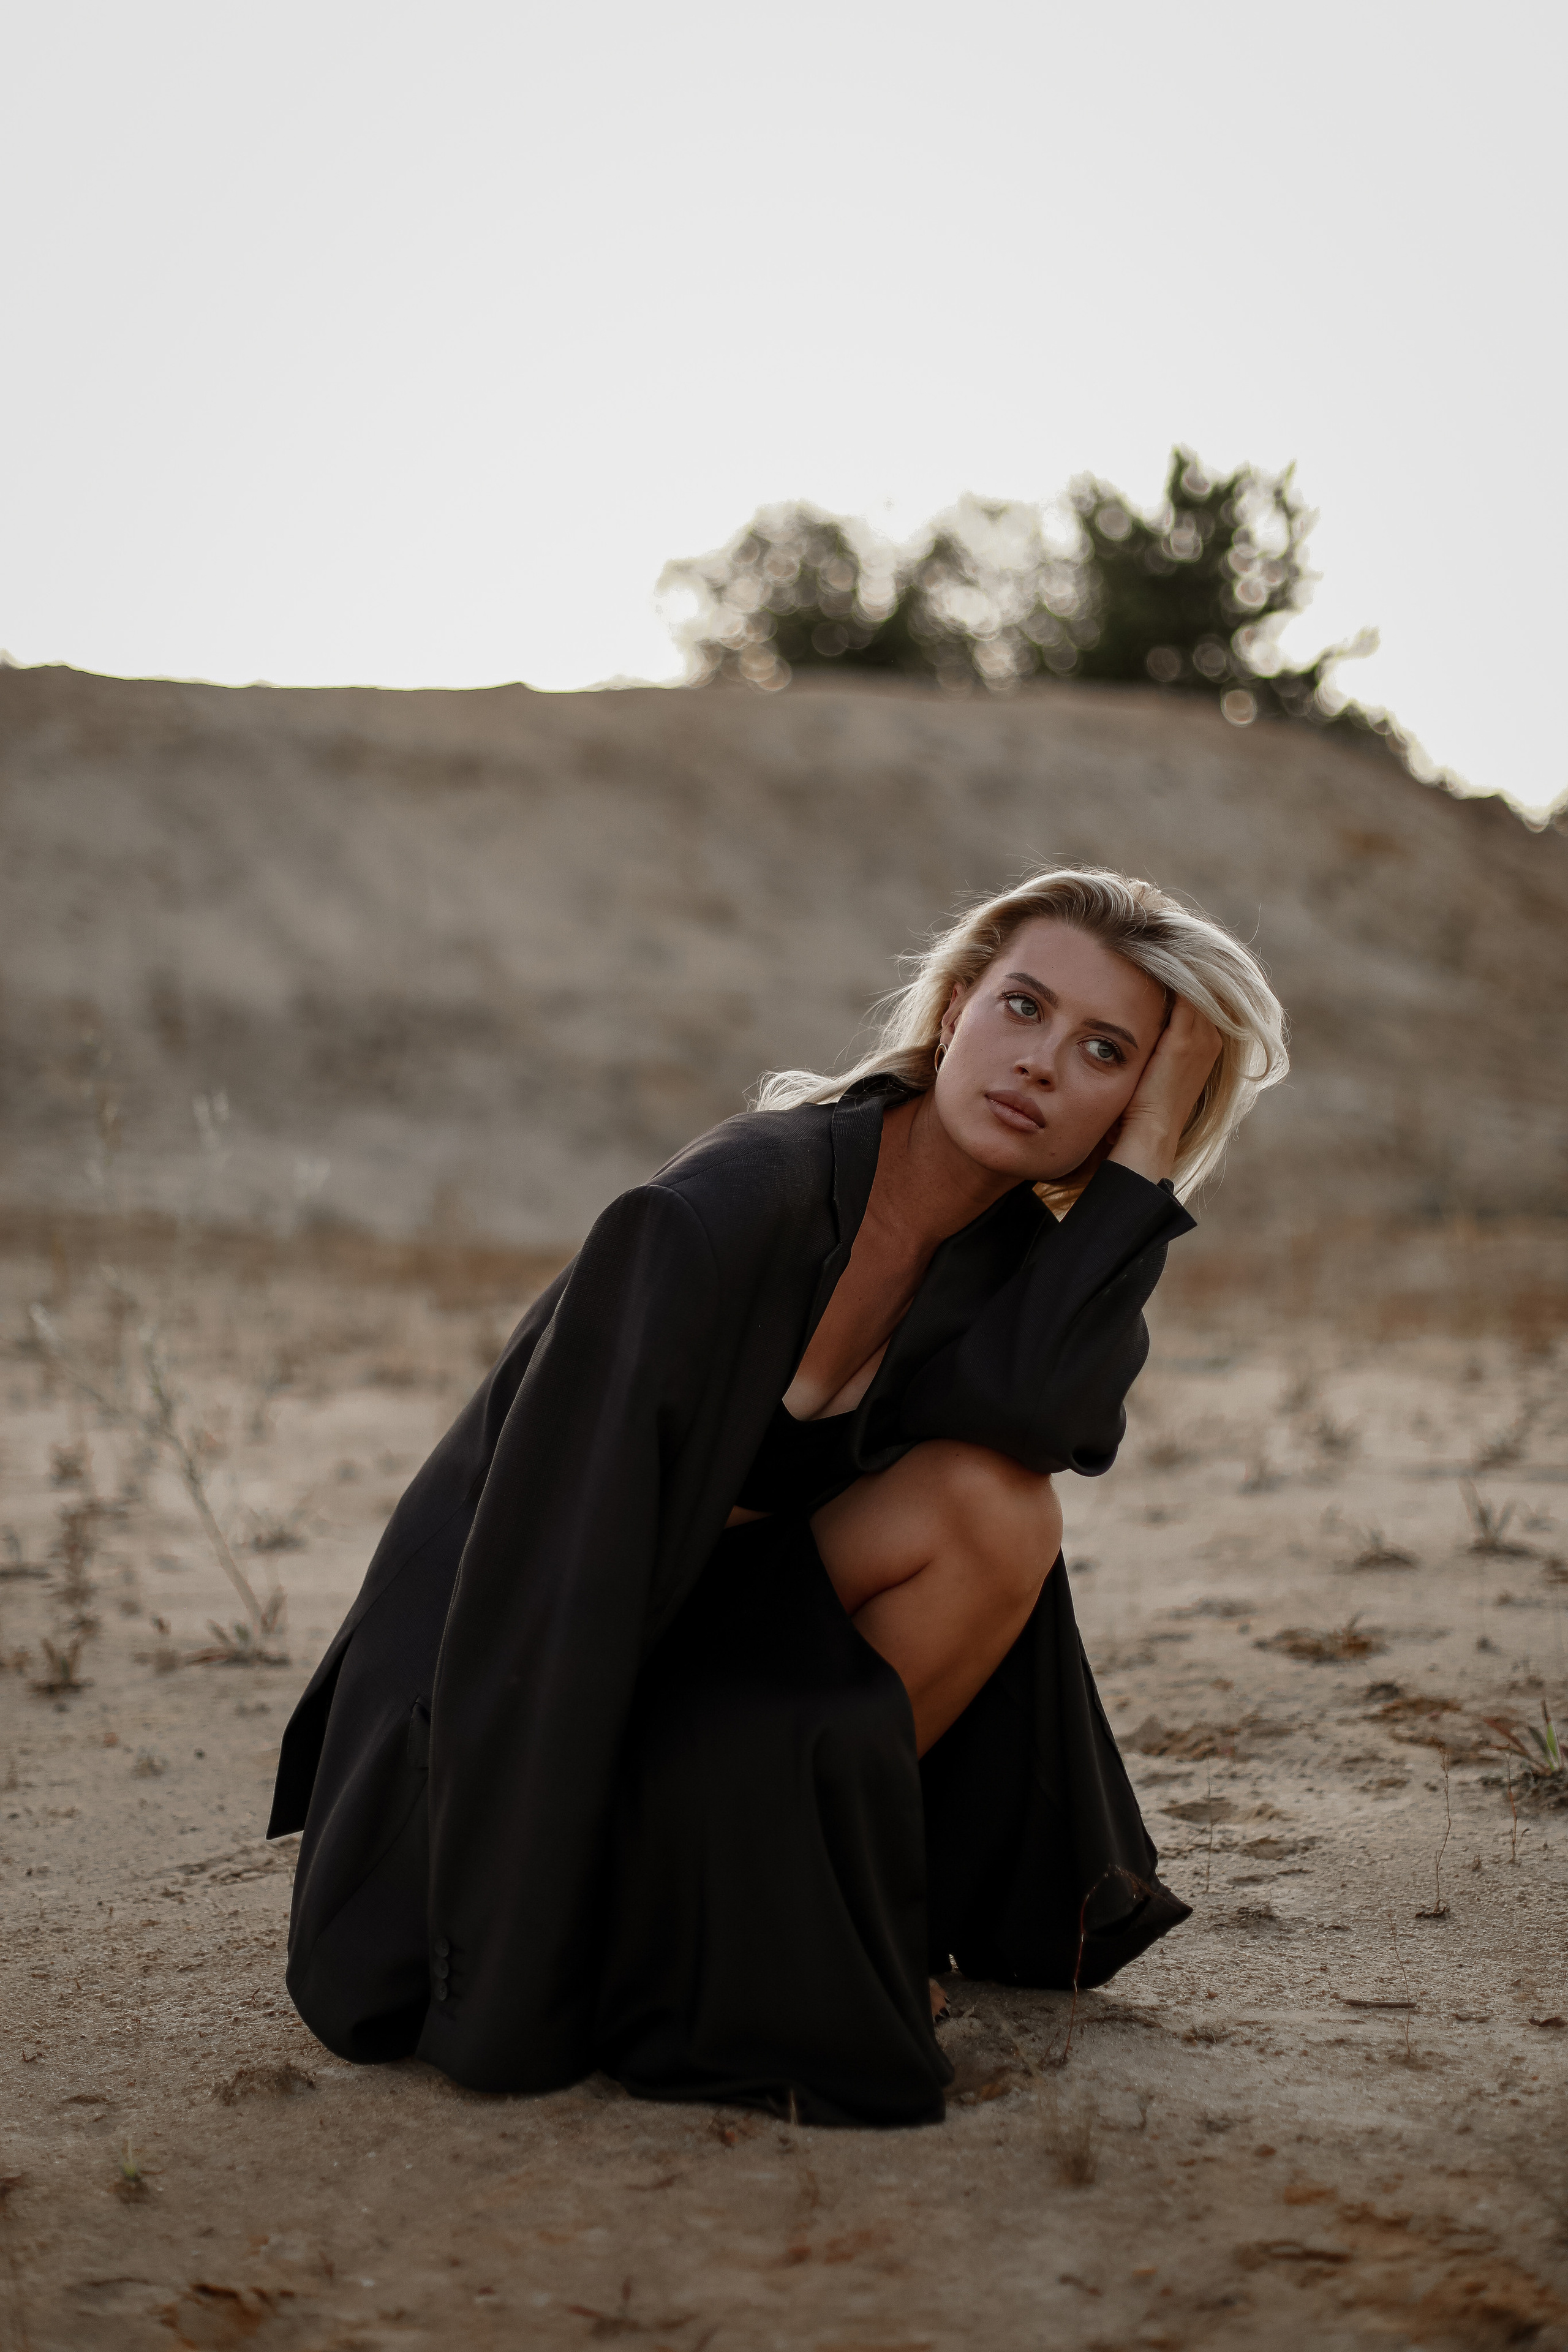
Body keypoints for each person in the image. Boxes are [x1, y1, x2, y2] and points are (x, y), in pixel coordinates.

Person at [269, 867, 1287, 2125]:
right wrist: (502, 1973)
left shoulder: (1007, 1263)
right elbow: (543, 1569)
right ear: (954, 1009)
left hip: (685, 1659)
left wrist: (1140, 1166)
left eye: (1104, 1053)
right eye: (1022, 1008)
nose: (1039, 1063)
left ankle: (736, 1900)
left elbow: (1037, 1416)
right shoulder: (734, 1202)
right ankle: (667, 1924)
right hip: (508, 1674)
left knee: (998, 1508)